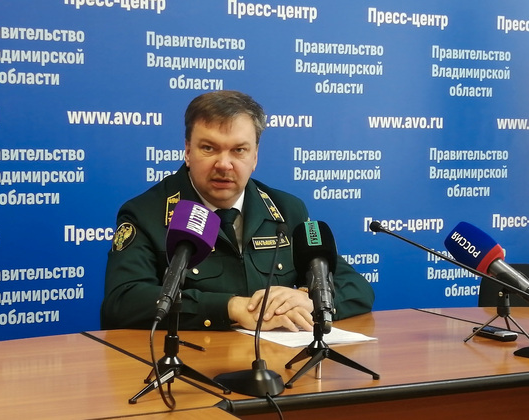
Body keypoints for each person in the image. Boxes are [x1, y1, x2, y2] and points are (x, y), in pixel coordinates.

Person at [101, 90, 374, 332]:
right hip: (193, 363)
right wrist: (231, 308)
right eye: (209, 148)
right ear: (187, 151)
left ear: (255, 156)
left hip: (277, 363)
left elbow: (356, 287)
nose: (224, 164)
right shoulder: (146, 213)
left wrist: (311, 299)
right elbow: (122, 302)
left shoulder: (287, 210)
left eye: (239, 150)